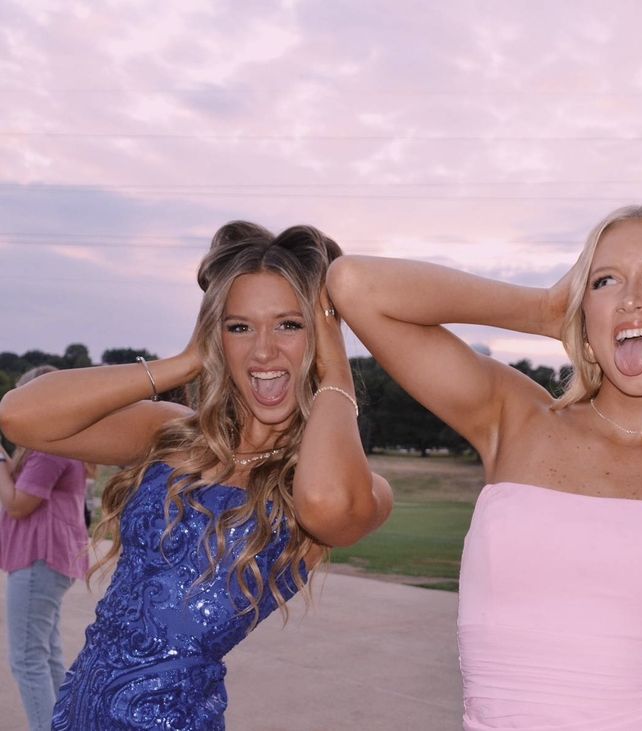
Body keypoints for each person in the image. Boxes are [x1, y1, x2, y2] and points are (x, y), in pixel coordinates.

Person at [327, 200, 642, 730]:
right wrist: (544, 309)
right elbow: (354, 283)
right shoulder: (518, 417)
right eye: (604, 281)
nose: (632, 299)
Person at [0, 221, 393, 730]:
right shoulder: (173, 435)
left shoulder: (350, 488)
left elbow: (328, 507)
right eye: (239, 326)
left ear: (321, 337)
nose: (263, 351)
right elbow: (20, 416)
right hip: (76, 713)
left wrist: (335, 374)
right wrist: (185, 361)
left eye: (290, 325)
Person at [0, 365, 89, 731]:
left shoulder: (49, 450)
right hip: (50, 560)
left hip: (40, 560)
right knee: (46, 652)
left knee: (26, 658)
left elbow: (18, 504)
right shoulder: (60, 445)